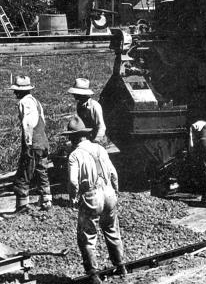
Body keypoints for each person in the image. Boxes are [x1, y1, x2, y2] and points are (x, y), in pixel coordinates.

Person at [64, 115, 127, 284]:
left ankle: (93, 274)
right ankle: (121, 266)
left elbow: (72, 180)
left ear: (72, 137)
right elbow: (114, 173)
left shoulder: (74, 155)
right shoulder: (100, 149)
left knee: (87, 236)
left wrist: (73, 197)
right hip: (108, 193)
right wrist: (115, 191)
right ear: (85, 135)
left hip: (92, 196)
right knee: (112, 230)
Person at [11, 75, 52, 212]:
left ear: (21, 91)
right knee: (42, 171)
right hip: (43, 142)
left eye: (16, 90)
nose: (14, 93)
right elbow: (42, 122)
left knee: (24, 173)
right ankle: (46, 200)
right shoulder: (36, 102)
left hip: (33, 143)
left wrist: (28, 144)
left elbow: (28, 124)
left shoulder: (24, 102)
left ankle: (22, 205)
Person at [68, 78, 107, 143]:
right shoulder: (80, 105)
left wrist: (96, 140)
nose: (73, 95)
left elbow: (101, 126)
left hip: (97, 139)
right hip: (87, 139)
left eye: (75, 93)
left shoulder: (94, 105)